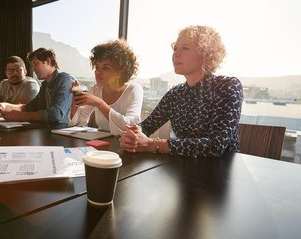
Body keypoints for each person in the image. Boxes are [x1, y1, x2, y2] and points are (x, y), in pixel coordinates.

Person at [120, 25, 243, 157]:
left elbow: (216, 145)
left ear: (205, 54)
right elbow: (148, 125)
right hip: (182, 169)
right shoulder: (176, 93)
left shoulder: (227, 86)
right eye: (175, 48)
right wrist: (133, 133)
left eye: (185, 48)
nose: (175, 54)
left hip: (222, 171)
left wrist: (153, 144)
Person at [69, 39, 143, 135]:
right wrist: (75, 102)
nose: (98, 72)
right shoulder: (96, 89)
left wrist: (100, 103)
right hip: (102, 144)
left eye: (105, 68)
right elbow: (77, 122)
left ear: (121, 71)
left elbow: (131, 125)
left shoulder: (133, 90)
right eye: (97, 67)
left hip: (126, 146)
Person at [0, 48, 74, 126]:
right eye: (32, 65)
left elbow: (56, 114)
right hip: (48, 131)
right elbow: (30, 107)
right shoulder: (45, 85)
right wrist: (6, 106)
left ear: (48, 61)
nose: (33, 69)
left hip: (63, 132)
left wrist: (22, 116)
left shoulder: (64, 79)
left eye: (36, 63)